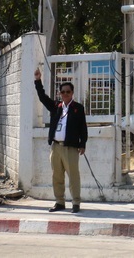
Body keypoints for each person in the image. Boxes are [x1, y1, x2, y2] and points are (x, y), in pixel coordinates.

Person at [34, 68, 87, 213]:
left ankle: (76, 202)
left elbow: (83, 128)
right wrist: (38, 81)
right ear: (60, 94)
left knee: (73, 176)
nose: (65, 94)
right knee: (57, 176)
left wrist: (82, 144)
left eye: (68, 92)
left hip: (71, 148)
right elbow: (42, 97)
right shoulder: (56, 106)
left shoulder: (78, 108)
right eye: (63, 92)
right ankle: (59, 202)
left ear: (72, 93)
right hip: (56, 147)